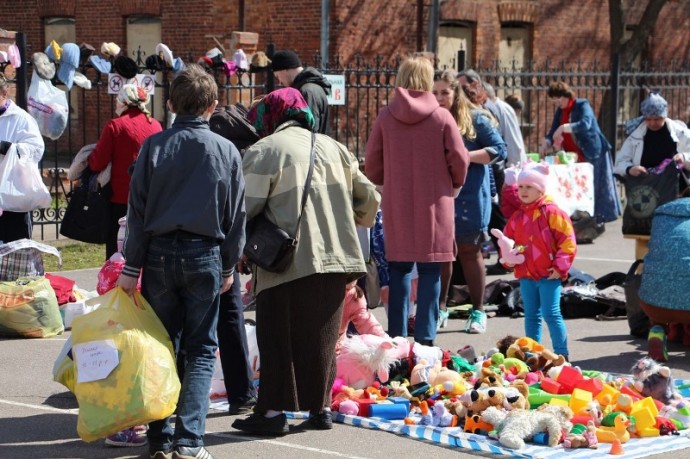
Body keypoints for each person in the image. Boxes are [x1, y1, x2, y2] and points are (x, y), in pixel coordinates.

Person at [231, 87, 379, 436]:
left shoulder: (265, 150)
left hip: (286, 258)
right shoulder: (335, 147)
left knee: (277, 335)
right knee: (323, 337)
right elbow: (370, 199)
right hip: (336, 257)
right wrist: (341, 217)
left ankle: (270, 413)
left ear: (271, 116)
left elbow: (244, 207)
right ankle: (321, 408)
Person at [117, 64, 246, 459]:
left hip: (157, 254)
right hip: (204, 253)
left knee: (162, 345)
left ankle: (160, 434)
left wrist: (131, 265)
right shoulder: (226, 150)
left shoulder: (155, 147)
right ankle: (189, 441)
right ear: (213, 105)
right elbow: (236, 215)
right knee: (202, 348)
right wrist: (228, 266)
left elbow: (136, 212)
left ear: (171, 103)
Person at [365, 57, 468, 345]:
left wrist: (385, 182)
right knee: (430, 270)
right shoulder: (441, 117)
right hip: (434, 204)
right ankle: (425, 336)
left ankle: (397, 334)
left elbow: (372, 163)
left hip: (397, 202)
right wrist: (454, 184)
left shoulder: (386, 116)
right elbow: (459, 161)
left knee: (397, 270)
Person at [434, 69, 507, 334]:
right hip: (440, 195)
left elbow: (500, 150)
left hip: (470, 195)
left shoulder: (476, 119)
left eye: (445, 92)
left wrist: (466, 155)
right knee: (442, 254)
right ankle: (440, 308)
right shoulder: (431, 119)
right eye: (434, 93)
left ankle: (478, 311)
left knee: (469, 250)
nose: (440, 98)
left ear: (456, 92)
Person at [501, 162, 577, 359]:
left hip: (549, 275)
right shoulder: (517, 217)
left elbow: (567, 241)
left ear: (540, 189)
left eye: (529, 187)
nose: (523, 191)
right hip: (527, 275)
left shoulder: (552, 212)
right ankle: (532, 353)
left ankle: (562, 353)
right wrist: (509, 259)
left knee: (551, 314)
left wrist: (560, 267)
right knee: (531, 315)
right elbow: (511, 244)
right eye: (521, 187)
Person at [457, 70, 524, 276]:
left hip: (491, 171)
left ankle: (508, 256)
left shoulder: (485, 113)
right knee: (495, 217)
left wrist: (516, 162)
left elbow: (505, 142)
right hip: (486, 172)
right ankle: (506, 255)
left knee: (496, 216)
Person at [88, 84, 162, 260]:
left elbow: (97, 163)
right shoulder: (156, 126)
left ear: (124, 102)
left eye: (117, 100)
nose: (115, 104)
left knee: (118, 253)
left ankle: (115, 285)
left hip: (120, 200)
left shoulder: (116, 125)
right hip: (149, 200)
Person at [540, 81, 621, 226]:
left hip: (592, 150)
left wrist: (564, 127)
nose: (557, 102)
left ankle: (599, 218)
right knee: (581, 186)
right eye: (554, 100)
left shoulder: (582, 105)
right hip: (574, 154)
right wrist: (546, 142)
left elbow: (586, 124)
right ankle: (583, 218)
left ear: (566, 95)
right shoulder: (560, 111)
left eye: (559, 98)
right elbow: (553, 130)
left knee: (596, 184)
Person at [0, 73, 45, 243]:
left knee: (15, 250)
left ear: (5, 93)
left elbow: (36, 150)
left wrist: (6, 147)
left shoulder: (22, 119)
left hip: (14, 198)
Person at [613, 92, 690, 180]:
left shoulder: (680, 132)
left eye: (657, 119)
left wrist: (684, 157)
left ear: (664, 117)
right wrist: (629, 169)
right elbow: (620, 161)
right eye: (648, 119)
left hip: (676, 187)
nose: (652, 123)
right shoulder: (635, 136)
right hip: (646, 187)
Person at [270, 50, 331, 134]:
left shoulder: (306, 91)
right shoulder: (309, 88)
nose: (279, 81)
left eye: (277, 76)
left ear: (285, 69)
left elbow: (309, 131)